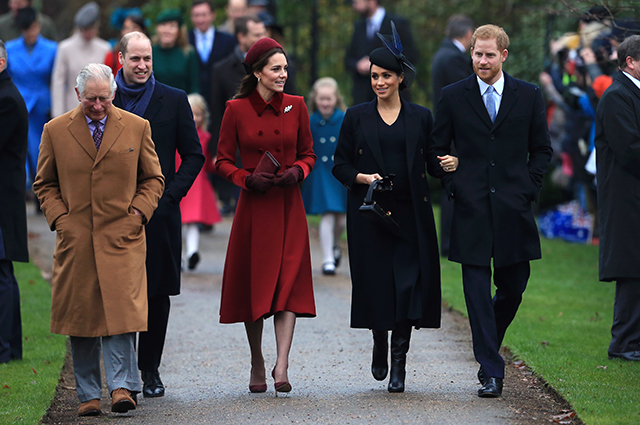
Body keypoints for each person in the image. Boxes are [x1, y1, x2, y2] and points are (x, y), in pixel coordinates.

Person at [33, 63, 164, 416]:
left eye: (104, 98)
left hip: (122, 237)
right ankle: (88, 394)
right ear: (78, 95)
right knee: (82, 317)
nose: (98, 106)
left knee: (121, 315)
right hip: (76, 240)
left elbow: (153, 179)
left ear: (113, 94)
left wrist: (137, 213)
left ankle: (122, 387)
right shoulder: (55, 130)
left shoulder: (136, 127)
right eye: (91, 99)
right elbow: (44, 183)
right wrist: (61, 219)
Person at [428, 24, 553, 398]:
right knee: (477, 292)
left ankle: (486, 344)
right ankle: (491, 369)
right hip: (471, 210)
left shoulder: (529, 96)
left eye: (489, 54)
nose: (482, 61)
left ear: (503, 55)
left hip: (514, 209)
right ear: (471, 54)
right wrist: (452, 180)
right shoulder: (452, 96)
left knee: (513, 288)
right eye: (477, 54)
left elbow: (542, 150)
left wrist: (529, 188)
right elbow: (435, 152)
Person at [333, 23, 448, 393]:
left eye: (385, 76)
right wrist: (365, 178)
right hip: (371, 216)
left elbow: (430, 164)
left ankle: (399, 361)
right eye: (374, 76)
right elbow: (340, 165)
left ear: (400, 78)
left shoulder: (421, 117)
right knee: (377, 286)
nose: (379, 82)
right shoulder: (355, 116)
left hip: (410, 215)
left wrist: (448, 163)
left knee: (408, 288)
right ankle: (379, 342)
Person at [215, 37, 316, 394]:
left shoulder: (297, 106)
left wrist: (298, 172)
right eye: (276, 69)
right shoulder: (236, 109)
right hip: (254, 208)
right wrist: (246, 178)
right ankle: (258, 359)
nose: (283, 75)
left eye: (285, 68)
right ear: (258, 72)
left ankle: (282, 364)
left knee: (288, 284)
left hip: (288, 206)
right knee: (256, 287)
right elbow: (222, 160)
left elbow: (308, 153)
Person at [113, 31, 204, 398]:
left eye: (147, 58)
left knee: (156, 293)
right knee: (119, 291)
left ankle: (150, 370)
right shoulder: (107, 98)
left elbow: (194, 155)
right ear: (120, 59)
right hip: (115, 213)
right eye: (135, 59)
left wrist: (170, 197)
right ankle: (123, 376)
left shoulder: (173, 99)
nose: (142, 65)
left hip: (160, 214)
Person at [594, 34, 640, 362]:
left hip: (633, 194)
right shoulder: (616, 97)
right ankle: (623, 343)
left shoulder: (628, 94)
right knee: (630, 269)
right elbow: (629, 150)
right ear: (630, 62)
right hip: (626, 196)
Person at [209, 15, 266, 215]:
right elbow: (216, 113)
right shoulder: (221, 70)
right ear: (241, 37)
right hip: (237, 148)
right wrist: (217, 150)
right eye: (256, 34)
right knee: (241, 208)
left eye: (263, 33)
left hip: (269, 144)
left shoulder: (278, 67)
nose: (262, 38)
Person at [430, 14, 475, 257]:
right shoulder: (453, 58)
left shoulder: (443, 54)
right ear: (468, 34)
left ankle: (450, 240)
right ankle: (448, 242)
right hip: (456, 131)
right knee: (452, 185)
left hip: (449, 129)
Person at [0, 39, 29, 365]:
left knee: (2, 273)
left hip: (3, 202)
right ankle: (10, 348)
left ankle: (5, 349)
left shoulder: (7, 100)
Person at [5, 7, 57, 188]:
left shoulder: (52, 48)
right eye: (28, 29)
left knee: (41, 148)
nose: (32, 33)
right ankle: (22, 185)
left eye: (34, 27)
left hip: (42, 105)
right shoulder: (9, 49)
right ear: (21, 29)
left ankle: (42, 186)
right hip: (17, 102)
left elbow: (55, 79)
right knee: (18, 146)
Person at [302, 77, 348, 275]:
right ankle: (328, 259)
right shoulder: (310, 121)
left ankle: (335, 245)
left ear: (336, 99)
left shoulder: (345, 119)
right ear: (315, 99)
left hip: (340, 172)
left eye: (328, 99)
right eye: (321, 99)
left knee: (342, 220)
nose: (325, 103)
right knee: (327, 214)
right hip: (321, 172)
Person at [345, 0, 416, 105]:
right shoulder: (358, 27)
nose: (354, 4)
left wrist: (377, 64)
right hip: (364, 100)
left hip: (392, 98)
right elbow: (348, 60)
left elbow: (410, 56)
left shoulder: (398, 24)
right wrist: (357, 65)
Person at [179, 93, 222, 270]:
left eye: (198, 114)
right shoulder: (178, 134)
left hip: (197, 184)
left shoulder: (206, 137)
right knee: (179, 223)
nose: (195, 118)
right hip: (181, 181)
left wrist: (217, 164)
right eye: (191, 113)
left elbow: (208, 163)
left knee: (192, 223)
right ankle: (181, 256)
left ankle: (191, 253)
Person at [50, 2, 111, 117]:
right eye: (86, 29)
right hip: (72, 109)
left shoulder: (104, 48)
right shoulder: (65, 48)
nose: (89, 32)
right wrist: (57, 115)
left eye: (92, 28)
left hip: (99, 111)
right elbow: (58, 83)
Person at [188, 0, 237, 108]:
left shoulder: (228, 40)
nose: (200, 19)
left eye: (204, 15)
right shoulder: (186, 40)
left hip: (220, 98)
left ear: (212, 15)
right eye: (196, 15)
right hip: (193, 100)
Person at [152, 9, 199, 94]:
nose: (166, 30)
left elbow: (194, 86)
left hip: (181, 103)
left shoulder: (188, 53)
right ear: (157, 28)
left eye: (172, 26)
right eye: (163, 25)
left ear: (179, 31)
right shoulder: (149, 52)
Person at [104, 10, 147, 77]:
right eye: (126, 28)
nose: (129, 32)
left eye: (134, 28)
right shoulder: (112, 55)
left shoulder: (152, 54)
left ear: (143, 31)